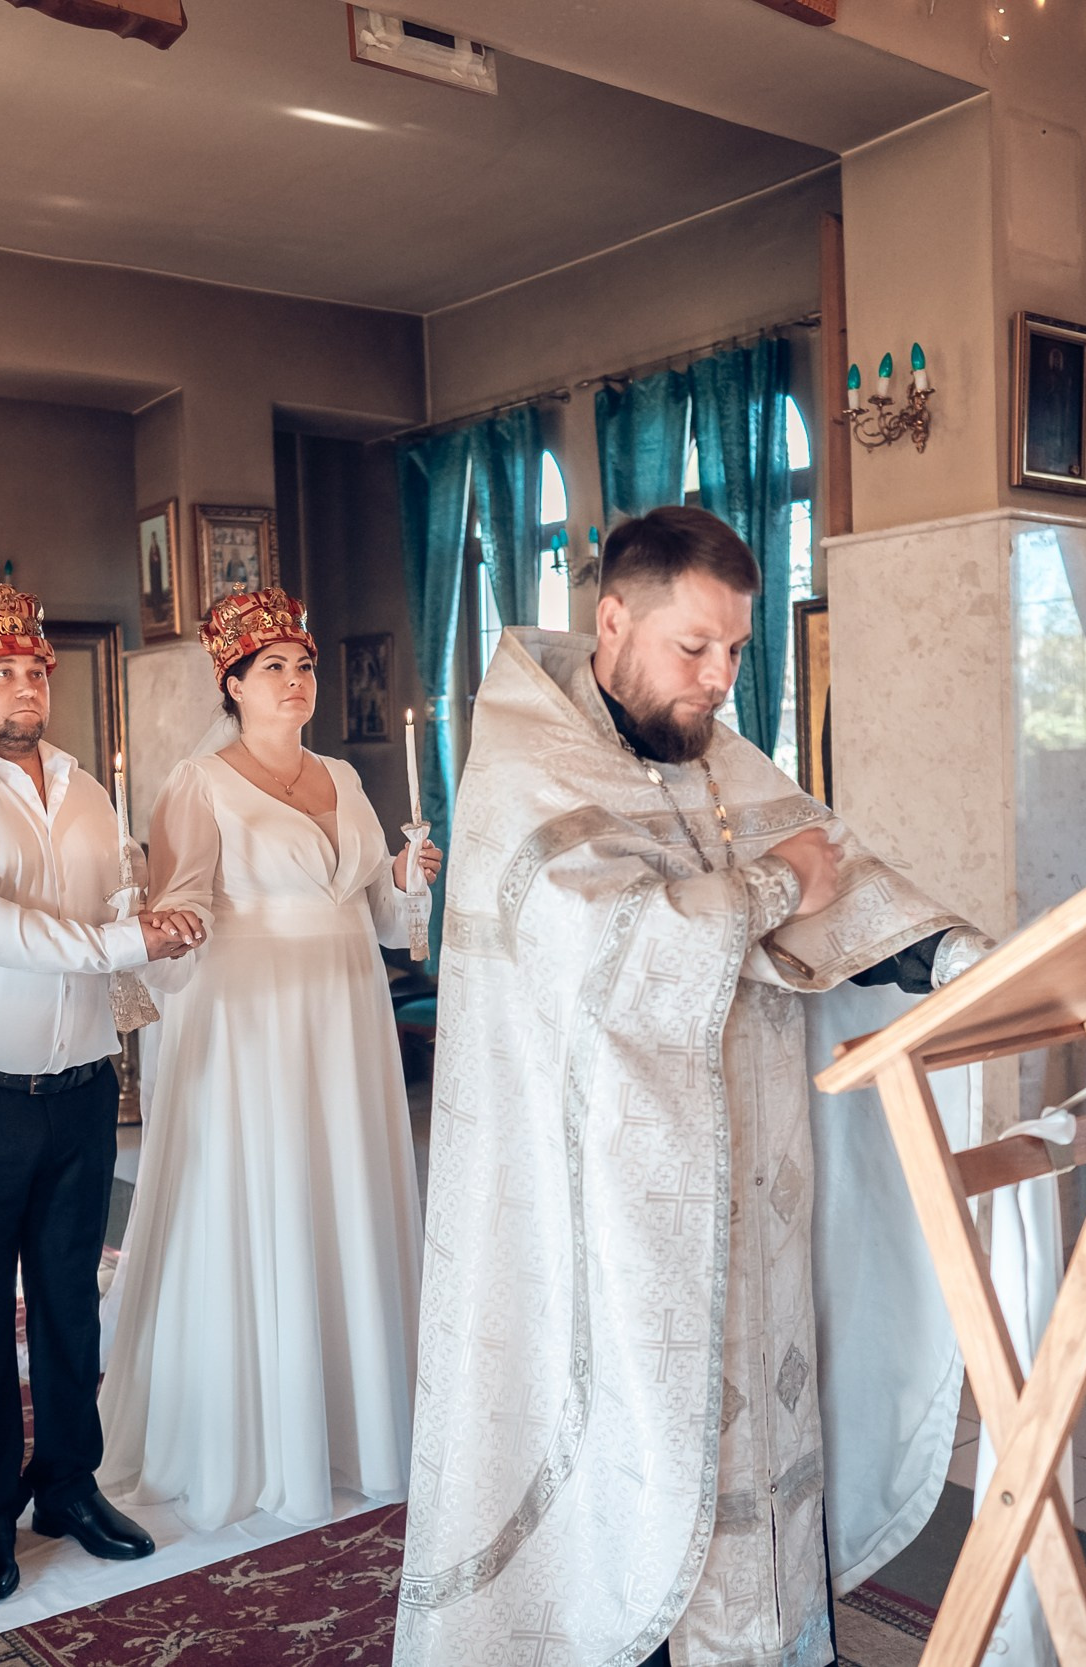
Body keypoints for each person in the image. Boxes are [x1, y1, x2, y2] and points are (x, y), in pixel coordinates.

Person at [394, 507, 993, 1667]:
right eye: (693, 647)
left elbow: (842, 874)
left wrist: (972, 961)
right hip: (609, 1212)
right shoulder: (525, 764)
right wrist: (771, 888)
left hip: (752, 1201)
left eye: (733, 651)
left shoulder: (704, 746)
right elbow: (609, 953)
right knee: (639, 1456)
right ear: (612, 619)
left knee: (754, 1455)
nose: (719, 680)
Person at [0, 573, 206, 1605]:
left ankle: (67, 1482)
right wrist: (122, 934)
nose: (23, 685)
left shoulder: (86, 785)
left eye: (33, 668)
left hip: (76, 1090)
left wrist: (150, 931)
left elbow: (105, 913)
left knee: (69, 1301)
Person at [97, 588, 440, 1534]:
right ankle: (259, 1429)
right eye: (274, 668)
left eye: (305, 665)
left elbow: (375, 914)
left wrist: (407, 881)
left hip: (347, 1004)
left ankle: (359, 1417)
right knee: (272, 1188)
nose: (297, 682)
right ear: (234, 684)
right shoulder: (199, 784)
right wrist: (162, 915)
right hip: (254, 1012)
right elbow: (183, 911)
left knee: (347, 1186)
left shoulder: (346, 777)